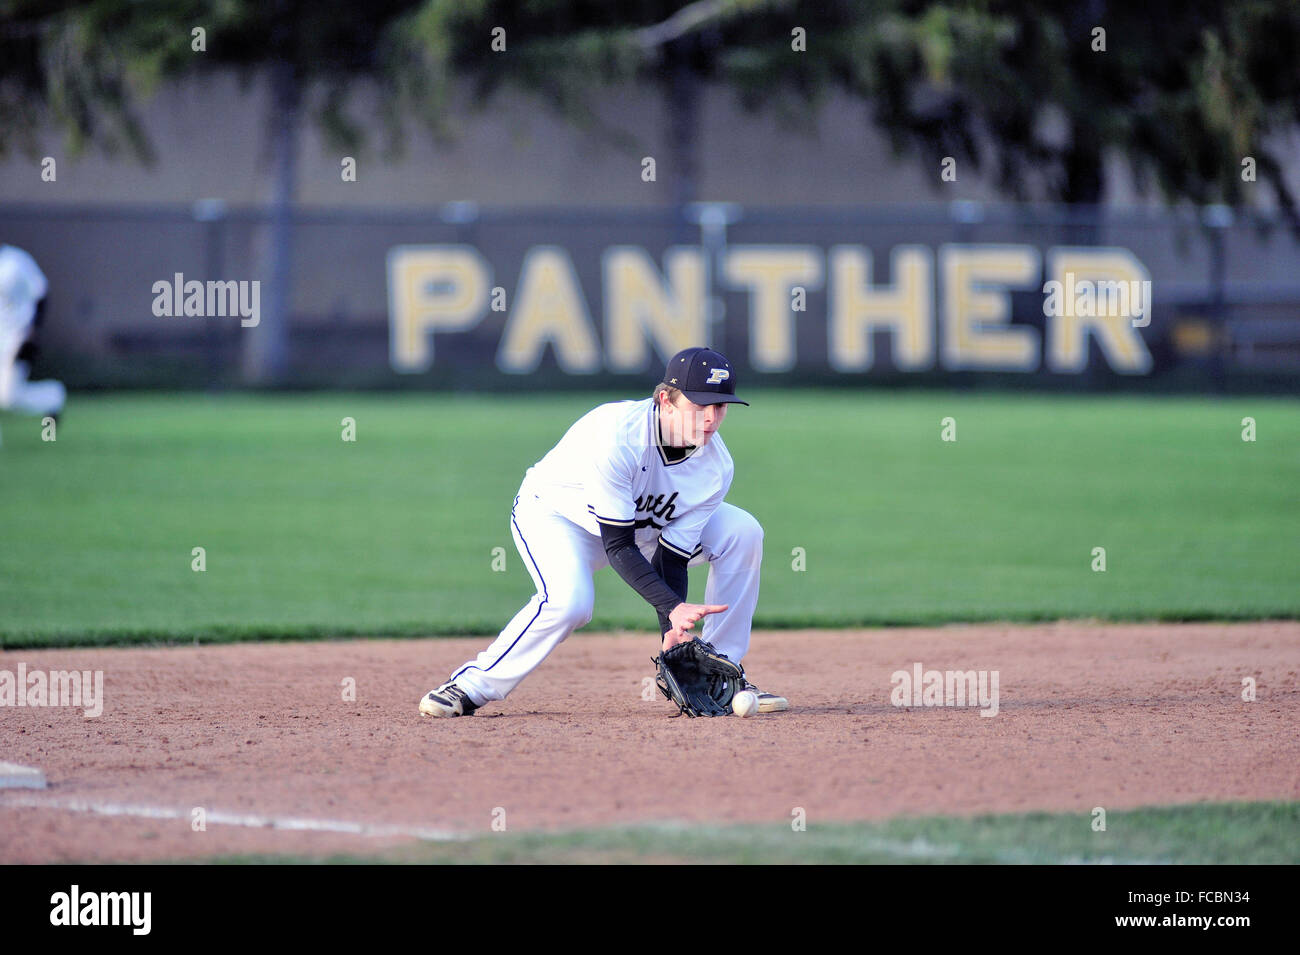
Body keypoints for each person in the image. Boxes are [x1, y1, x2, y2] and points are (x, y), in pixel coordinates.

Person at [420, 346, 787, 718]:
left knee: (742, 532)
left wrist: (673, 637)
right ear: (666, 400)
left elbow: (671, 556)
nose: (711, 418)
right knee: (571, 603)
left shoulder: (716, 466)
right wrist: (673, 607)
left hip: (641, 529)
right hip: (559, 518)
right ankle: (469, 685)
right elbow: (618, 546)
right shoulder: (618, 437)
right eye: (700, 405)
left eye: (720, 407)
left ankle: (719, 676)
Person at [0, 245, 66, 431]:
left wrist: (33, 332)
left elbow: (41, 291)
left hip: (17, 337)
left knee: (9, 397)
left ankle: (52, 396)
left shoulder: (14, 262)